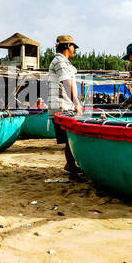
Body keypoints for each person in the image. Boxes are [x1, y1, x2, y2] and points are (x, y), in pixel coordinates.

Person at [46, 35, 84, 177]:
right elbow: (67, 84)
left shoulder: (64, 62)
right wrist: (77, 104)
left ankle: (71, 164)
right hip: (62, 106)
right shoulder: (59, 61)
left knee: (70, 138)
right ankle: (70, 165)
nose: (74, 49)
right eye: (73, 46)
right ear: (68, 46)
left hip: (65, 104)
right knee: (70, 137)